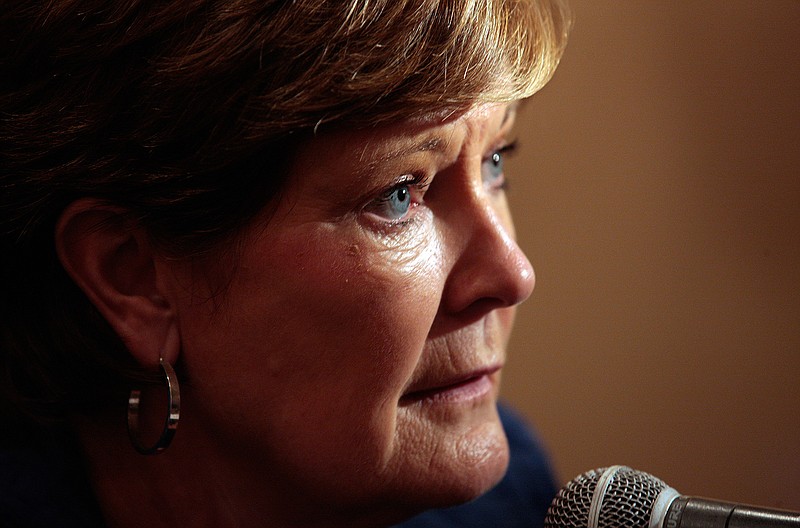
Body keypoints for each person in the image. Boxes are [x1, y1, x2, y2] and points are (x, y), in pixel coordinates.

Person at [0, 1, 570, 526]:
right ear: (135, 277)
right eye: (398, 194)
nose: (513, 274)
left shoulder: (514, 501)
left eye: (495, 159)